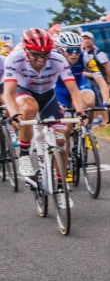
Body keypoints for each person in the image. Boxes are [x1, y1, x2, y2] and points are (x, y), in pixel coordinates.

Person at [3, 29, 86, 208]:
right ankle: (24, 153)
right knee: (29, 107)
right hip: (24, 92)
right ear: (26, 51)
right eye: (36, 55)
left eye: (45, 55)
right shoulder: (14, 58)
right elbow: (8, 93)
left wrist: (81, 112)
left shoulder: (57, 59)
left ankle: (61, 186)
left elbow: (73, 90)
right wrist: (15, 114)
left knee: (61, 141)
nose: (41, 60)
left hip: (48, 95)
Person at [54, 31, 110, 125]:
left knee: (89, 101)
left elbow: (101, 82)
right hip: (60, 89)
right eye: (70, 51)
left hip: (80, 85)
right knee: (66, 128)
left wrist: (106, 102)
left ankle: (88, 129)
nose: (74, 54)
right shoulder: (54, 58)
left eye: (77, 50)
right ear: (61, 50)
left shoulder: (86, 56)